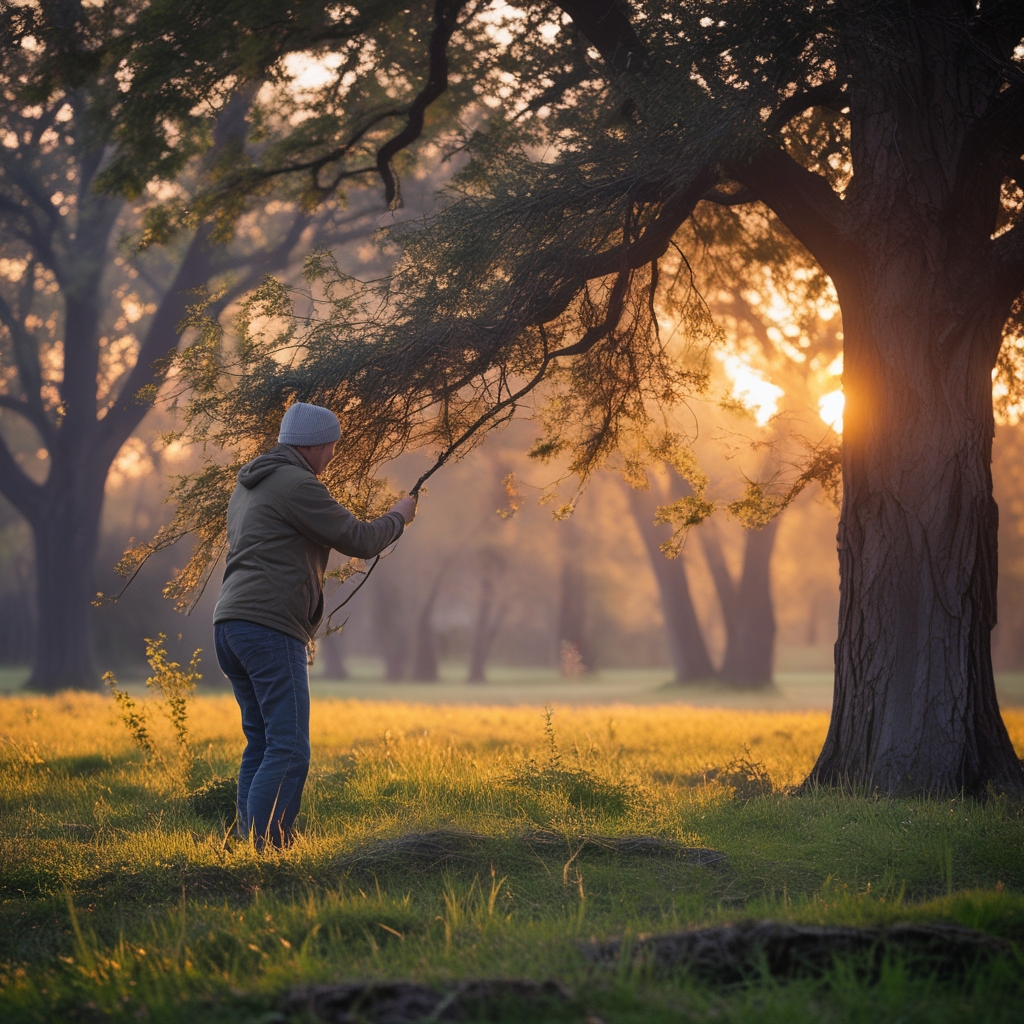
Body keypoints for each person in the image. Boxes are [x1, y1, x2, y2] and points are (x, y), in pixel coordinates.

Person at [213, 402, 417, 849]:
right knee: (288, 749)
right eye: (332, 447)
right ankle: (268, 850)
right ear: (315, 444)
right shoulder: (296, 484)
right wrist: (400, 515)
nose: (333, 457)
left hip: (230, 624)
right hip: (268, 627)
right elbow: (360, 541)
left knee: (262, 744)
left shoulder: (250, 484)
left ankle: (250, 846)